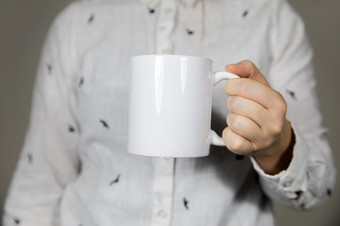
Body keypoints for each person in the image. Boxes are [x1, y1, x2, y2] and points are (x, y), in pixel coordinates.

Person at [3, 0, 336, 225]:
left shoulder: (273, 19)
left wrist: (276, 148)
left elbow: (319, 188)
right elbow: (40, 181)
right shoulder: (78, 23)